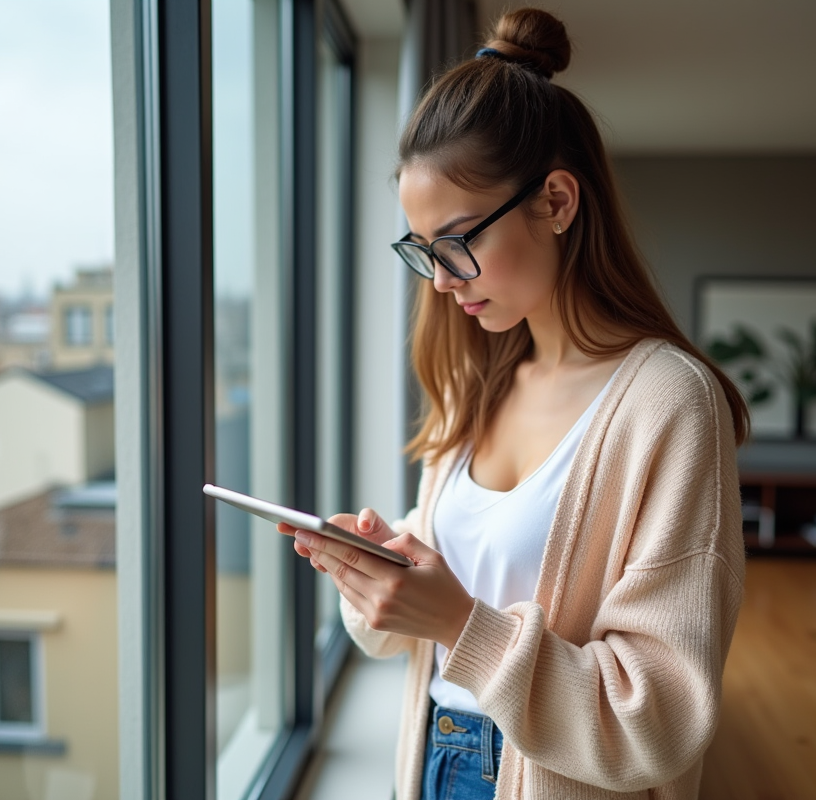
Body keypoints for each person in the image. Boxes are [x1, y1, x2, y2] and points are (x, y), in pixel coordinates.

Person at [280, 7, 749, 799]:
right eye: (424, 250)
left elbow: (661, 717)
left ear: (557, 202)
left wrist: (459, 623)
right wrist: (385, 568)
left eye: (458, 242)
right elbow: (444, 604)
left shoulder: (669, 404)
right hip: (433, 757)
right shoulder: (478, 382)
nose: (440, 280)